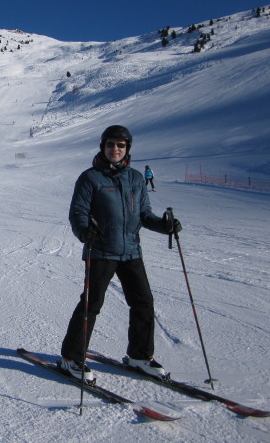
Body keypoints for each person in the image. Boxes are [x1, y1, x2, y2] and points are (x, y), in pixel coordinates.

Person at [60, 125, 182, 381]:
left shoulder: (136, 178)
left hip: (131, 251)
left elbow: (144, 214)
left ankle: (139, 356)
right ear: (102, 147)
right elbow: (78, 213)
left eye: (120, 145)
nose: (115, 149)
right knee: (91, 304)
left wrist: (164, 225)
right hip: (101, 250)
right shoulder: (90, 178)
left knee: (143, 302)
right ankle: (71, 357)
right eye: (110, 144)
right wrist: (84, 231)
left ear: (127, 149)